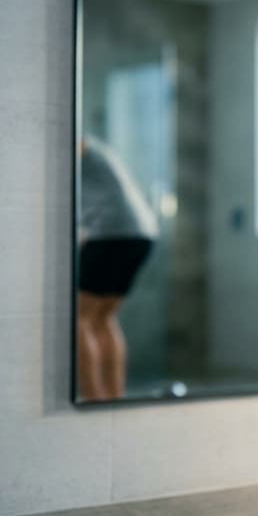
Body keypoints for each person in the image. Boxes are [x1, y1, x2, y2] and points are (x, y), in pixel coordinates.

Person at [76, 136, 160, 402]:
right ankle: (114, 397)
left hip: (113, 233)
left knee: (79, 318)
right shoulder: (101, 152)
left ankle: (93, 399)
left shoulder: (78, 141)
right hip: (141, 234)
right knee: (103, 317)